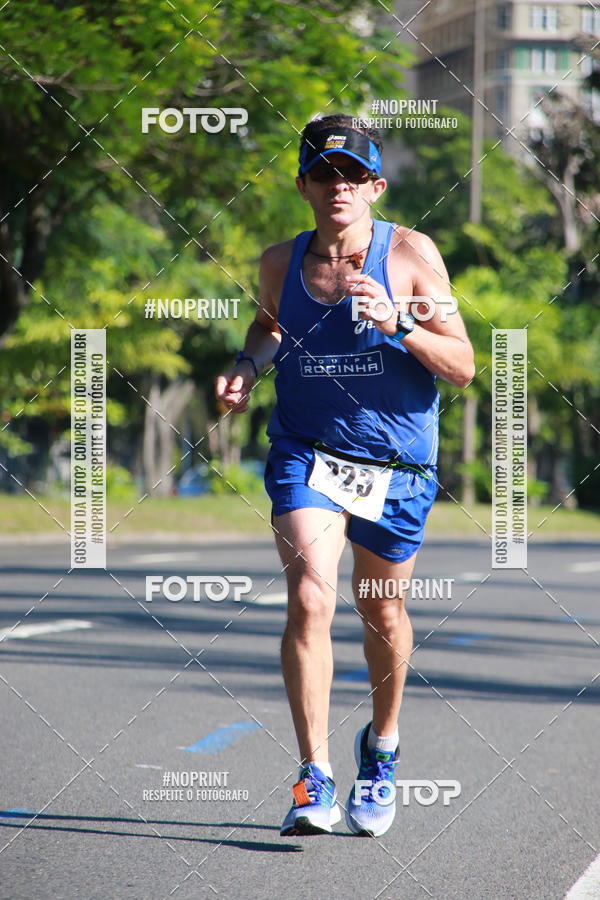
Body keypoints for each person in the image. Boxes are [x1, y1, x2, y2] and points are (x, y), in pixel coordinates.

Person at [215, 114, 475, 838]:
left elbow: (462, 366)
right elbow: (269, 327)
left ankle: (383, 748)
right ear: (302, 184)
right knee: (308, 595)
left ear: (375, 187)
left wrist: (399, 323)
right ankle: (313, 775)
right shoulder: (280, 261)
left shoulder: (413, 255)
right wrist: (246, 367)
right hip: (308, 451)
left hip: (397, 465)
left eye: (353, 175)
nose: (339, 187)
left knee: (382, 611)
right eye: (325, 174)